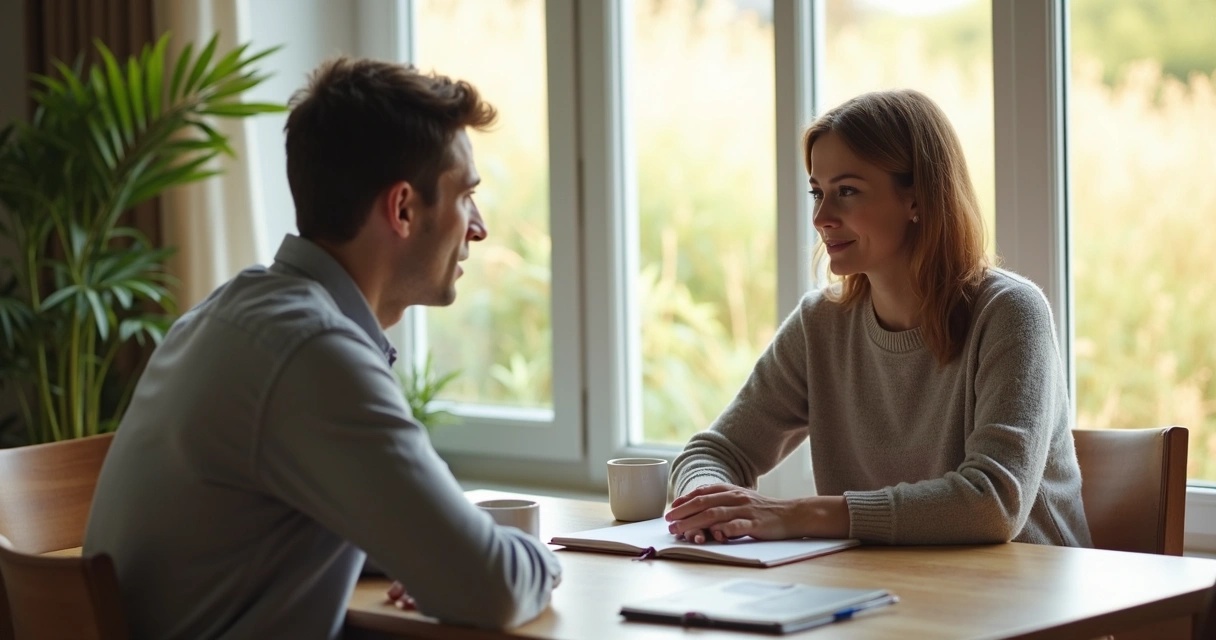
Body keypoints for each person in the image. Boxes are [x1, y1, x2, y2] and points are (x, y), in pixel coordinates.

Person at [84, 57, 561, 639]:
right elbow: (491, 589)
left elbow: (259, 530)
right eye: (466, 197)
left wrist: (426, 552)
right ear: (404, 208)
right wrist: (540, 555)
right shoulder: (314, 352)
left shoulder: (222, 318)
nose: (479, 227)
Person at [665, 89, 1092, 549]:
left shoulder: (1010, 313)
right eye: (818, 192)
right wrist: (707, 505)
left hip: (1030, 602)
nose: (821, 217)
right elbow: (716, 451)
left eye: (847, 191)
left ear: (918, 199)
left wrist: (797, 514)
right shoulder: (820, 324)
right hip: (887, 595)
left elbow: (990, 505)